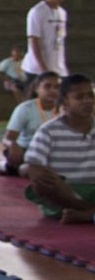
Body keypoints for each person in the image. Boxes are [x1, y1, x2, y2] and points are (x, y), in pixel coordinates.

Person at [23, 74, 95, 224]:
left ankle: (86, 215)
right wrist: (38, 174)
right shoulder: (49, 130)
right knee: (43, 180)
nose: (88, 101)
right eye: (79, 97)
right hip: (64, 194)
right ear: (64, 102)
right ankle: (87, 211)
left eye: (90, 95)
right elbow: (34, 167)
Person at [2, 71, 63, 175]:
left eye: (57, 87)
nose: (53, 90)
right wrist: (12, 144)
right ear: (37, 88)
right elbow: (7, 138)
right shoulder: (25, 109)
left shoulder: (66, 109)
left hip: (57, 151)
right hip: (29, 151)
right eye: (47, 86)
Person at [21, 0, 70, 86]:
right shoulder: (37, 12)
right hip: (37, 69)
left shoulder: (62, 13)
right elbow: (34, 40)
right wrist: (43, 68)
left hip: (58, 68)